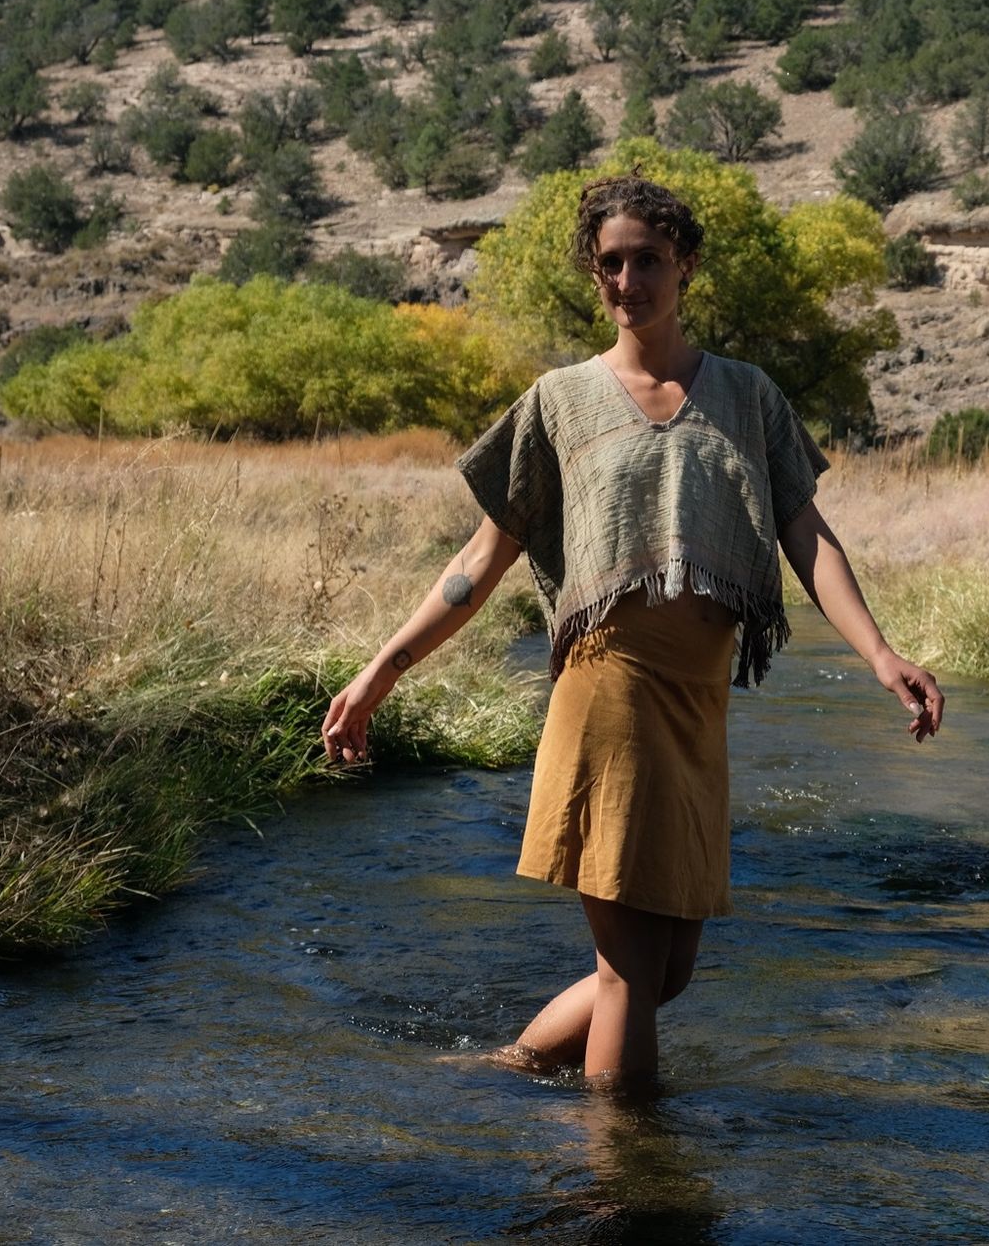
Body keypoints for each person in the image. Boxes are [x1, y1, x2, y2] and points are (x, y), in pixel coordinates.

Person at [320, 172, 944, 1088]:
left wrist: (881, 652)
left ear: (684, 264)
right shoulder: (561, 402)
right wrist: (381, 670)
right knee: (625, 972)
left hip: (699, 708)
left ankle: (517, 1060)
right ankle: (623, 1181)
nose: (627, 280)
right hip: (605, 690)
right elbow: (482, 558)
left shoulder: (746, 395)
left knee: (668, 971)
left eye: (646, 259)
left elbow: (806, 536)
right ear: (594, 275)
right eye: (609, 263)